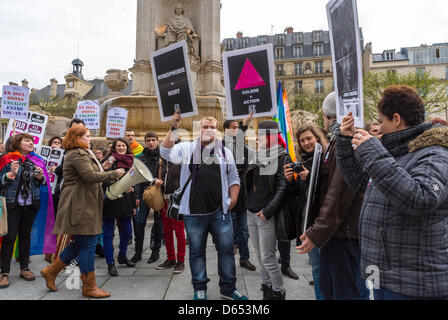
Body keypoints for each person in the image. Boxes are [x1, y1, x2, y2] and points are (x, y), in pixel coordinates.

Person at [337, 85, 448, 300]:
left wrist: (373, 151)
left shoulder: (436, 152)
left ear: (396, 119)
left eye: (381, 121)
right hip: (386, 275)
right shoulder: (398, 153)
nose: (379, 126)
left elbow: (421, 198)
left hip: (414, 285)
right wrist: (345, 140)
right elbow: (361, 182)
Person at [160, 112, 247, 301]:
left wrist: (233, 198)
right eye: (205, 126)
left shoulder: (225, 151)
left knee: (226, 251)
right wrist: (174, 129)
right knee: (197, 252)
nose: (209, 130)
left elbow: (233, 176)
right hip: (194, 214)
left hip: (220, 213)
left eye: (212, 127)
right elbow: (165, 152)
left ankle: (228, 288)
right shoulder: (186, 147)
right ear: (199, 130)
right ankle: (200, 288)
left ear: (217, 131)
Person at [296, 92, 369, 300]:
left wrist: (318, 231)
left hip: (343, 233)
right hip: (337, 233)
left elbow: (338, 192)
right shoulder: (337, 143)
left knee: (346, 291)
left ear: (330, 117)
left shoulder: (345, 143)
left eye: (325, 117)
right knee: (331, 288)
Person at [40, 126, 125, 298]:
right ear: (78, 137)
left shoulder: (81, 152)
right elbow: (89, 177)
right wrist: (113, 174)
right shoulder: (77, 153)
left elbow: (89, 173)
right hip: (80, 204)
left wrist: (103, 167)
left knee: (80, 243)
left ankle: (51, 271)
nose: (90, 138)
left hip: (84, 202)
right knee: (88, 244)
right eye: (87, 136)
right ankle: (89, 286)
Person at [243, 121, 290, 300]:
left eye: (261, 136)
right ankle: (267, 291)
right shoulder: (257, 156)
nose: (258, 139)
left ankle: (279, 292)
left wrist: (268, 211)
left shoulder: (282, 157)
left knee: (268, 258)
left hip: (265, 216)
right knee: (260, 257)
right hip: (251, 213)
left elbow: (282, 188)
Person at [284, 124, 328, 300]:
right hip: (309, 223)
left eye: (309, 138)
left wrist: (309, 177)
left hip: (324, 222)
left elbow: (327, 190)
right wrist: (290, 181)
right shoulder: (303, 163)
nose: (306, 143)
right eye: (302, 140)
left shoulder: (326, 160)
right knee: (316, 267)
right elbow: (299, 194)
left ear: (317, 138)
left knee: (330, 267)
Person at [0, 134, 47, 288]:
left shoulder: (37, 160)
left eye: (32, 141)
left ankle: (24, 268)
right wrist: (10, 174)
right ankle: (4, 272)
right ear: (17, 143)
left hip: (30, 203)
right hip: (12, 204)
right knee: (10, 236)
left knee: (25, 235)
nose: (30, 143)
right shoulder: (7, 159)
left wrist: (40, 176)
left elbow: (45, 181)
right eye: (27, 140)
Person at [222, 114, 256, 272]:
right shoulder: (220, 146)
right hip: (226, 196)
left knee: (243, 230)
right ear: (226, 130)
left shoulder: (242, 146)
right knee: (227, 231)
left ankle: (244, 258)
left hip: (241, 196)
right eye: (233, 128)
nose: (236, 130)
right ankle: (228, 259)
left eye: (237, 128)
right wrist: (243, 125)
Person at [102, 138, 137, 276]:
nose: (121, 148)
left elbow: (134, 183)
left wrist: (134, 203)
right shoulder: (110, 161)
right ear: (114, 148)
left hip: (125, 202)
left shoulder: (131, 161)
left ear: (127, 147)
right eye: (119, 146)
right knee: (108, 233)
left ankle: (122, 255)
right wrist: (120, 186)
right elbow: (103, 180)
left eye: (123, 145)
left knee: (127, 232)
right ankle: (110, 263)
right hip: (110, 201)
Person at [131, 131, 164, 264]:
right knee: (139, 223)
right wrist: (136, 196)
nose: (151, 143)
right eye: (148, 140)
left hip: (158, 193)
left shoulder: (162, 156)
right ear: (145, 142)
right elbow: (136, 178)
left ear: (157, 141)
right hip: (143, 193)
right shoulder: (139, 157)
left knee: (158, 223)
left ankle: (155, 251)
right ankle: (138, 252)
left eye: (153, 140)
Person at [156, 137, 185, 274]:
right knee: (166, 231)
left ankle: (181, 261)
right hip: (164, 199)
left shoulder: (184, 161)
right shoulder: (162, 161)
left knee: (179, 232)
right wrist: (155, 181)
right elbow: (154, 176)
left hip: (177, 201)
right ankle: (170, 258)